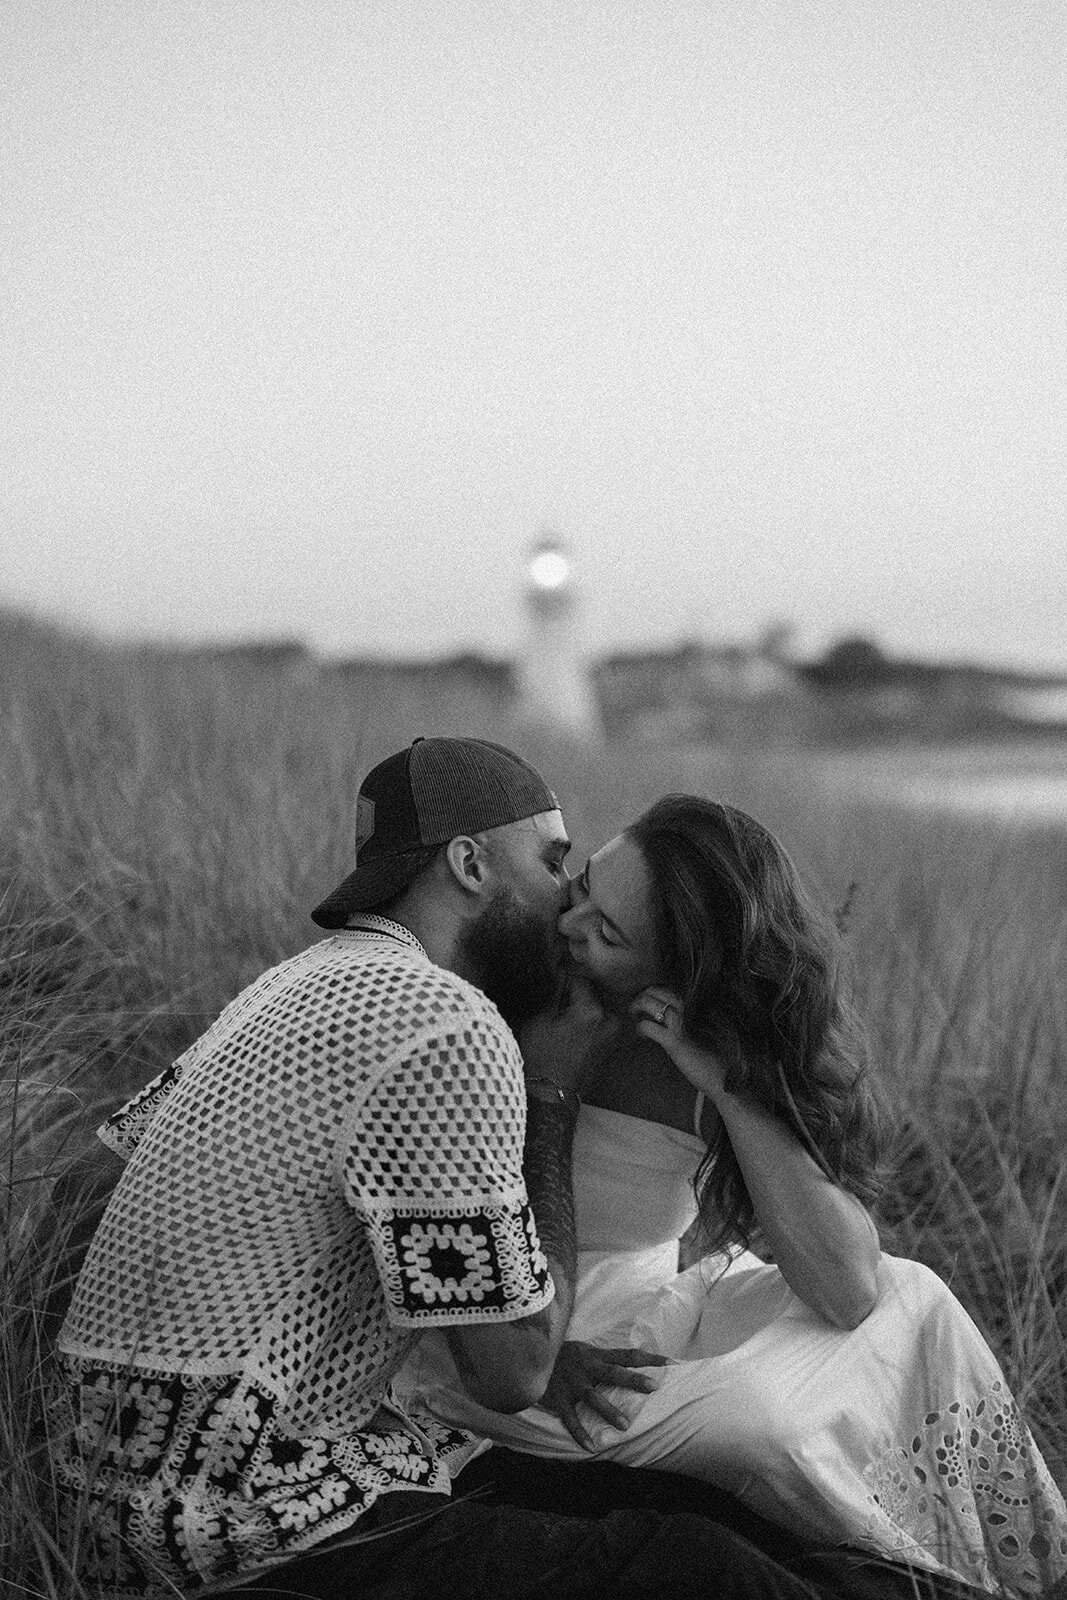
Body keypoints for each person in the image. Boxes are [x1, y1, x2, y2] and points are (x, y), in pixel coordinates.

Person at [49, 739, 992, 1600]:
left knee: (719, 1524)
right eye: (554, 865)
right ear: (469, 864)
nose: (564, 907)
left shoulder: (300, 979)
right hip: (250, 1518)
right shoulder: (446, 1022)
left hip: (133, 1473)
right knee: (701, 1572)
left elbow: (101, 1179)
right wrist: (551, 1093)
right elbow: (515, 1372)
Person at [400, 794, 1067, 1599]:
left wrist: (722, 1082)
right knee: (764, 1420)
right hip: (515, 1352)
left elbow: (847, 1289)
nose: (570, 927)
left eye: (608, 935)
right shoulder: (494, 1002)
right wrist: (551, 1084)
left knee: (912, 1297)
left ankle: (1025, 1568)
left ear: (679, 978)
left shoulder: (697, 1050)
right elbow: (420, 1234)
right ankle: (906, 1571)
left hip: (647, 1318)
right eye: (581, 886)